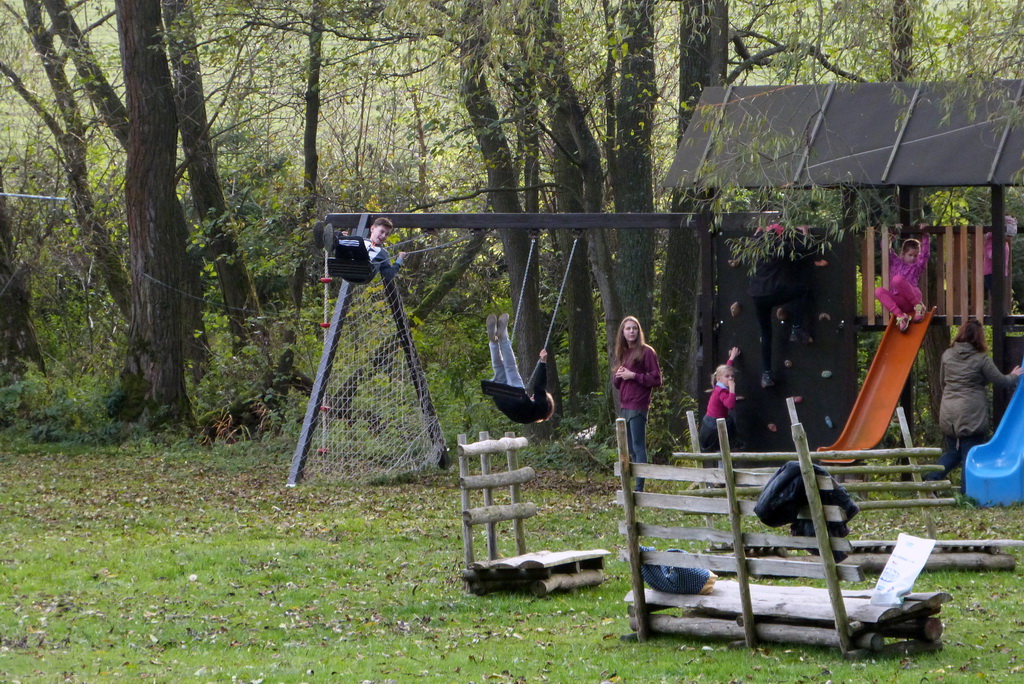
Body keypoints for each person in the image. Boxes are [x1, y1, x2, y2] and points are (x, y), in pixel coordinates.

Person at [925, 319, 1022, 492]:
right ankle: (967, 493)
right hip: (971, 414)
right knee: (970, 456)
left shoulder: (947, 355)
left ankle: (931, 479)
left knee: (953, 453)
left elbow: (943, 382)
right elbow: (1001, 381)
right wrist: (1014, 375)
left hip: (949, 412)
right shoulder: (981, 359)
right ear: (979, 338)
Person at [748, 223, 817, 389]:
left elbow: (755, 235)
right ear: (779, 235)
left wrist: (759, 231)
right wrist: (805, 231)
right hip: (773, 292)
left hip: (756, 295)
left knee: (766, 333)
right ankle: (797, 328)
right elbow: (805, 248)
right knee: (802, 290)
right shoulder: (780, 245)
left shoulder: (756, 243)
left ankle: (766, 374)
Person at [613, 316, 663, 492]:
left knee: (638, 446)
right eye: (628, 329)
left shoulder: (647, 352)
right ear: (623, 332)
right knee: (629, 448)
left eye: (634, 328)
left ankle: (640, 487)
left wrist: (633, 375)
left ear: (639, 331)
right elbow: (617, 384)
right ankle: (632, 482)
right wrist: (619, 375)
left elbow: (656, 379)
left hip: (638, 405)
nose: (631, 331)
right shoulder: (623, 352)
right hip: (624, 405)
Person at [484, 313, 554, 423]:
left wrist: (543, 362)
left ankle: (503, 337)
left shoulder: (542, 407)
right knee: (498, 368)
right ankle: (493, 342)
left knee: (510, 367)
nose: (533, 396)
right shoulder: (528, 418)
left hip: (516, 397)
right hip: (499, 397)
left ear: (547, 403)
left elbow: (539, 387)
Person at [874, 229, 930, 332]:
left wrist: (925, 235)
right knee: (878, 291)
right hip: (900, 302)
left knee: (897, 279)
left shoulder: (917, 266)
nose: (913, 258)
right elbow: (885, 248)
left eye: (916, 256)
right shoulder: (896, 262)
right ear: (903, 254)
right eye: (910, 255)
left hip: (913, 299)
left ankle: (919, 307)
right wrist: (891, 235)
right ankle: (901, 316)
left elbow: (925, 255)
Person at [699, 347, 741, 452]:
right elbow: (730, 405)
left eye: (732, 376)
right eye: (727, 376)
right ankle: (733, 445)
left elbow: (726, 370)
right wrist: (732, 390)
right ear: (719, 379)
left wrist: (732, 357)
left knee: (729, 421)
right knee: (719, 447)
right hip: (713, 424)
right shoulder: (721, 391)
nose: (730, 378)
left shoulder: (719, 385)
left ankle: (732, 446)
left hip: (712, 420)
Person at [983, 215, 1017, 296]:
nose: (1009, 239)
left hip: (1001, 272)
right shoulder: (992, 240)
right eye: (1008, 236)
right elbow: (989, 253)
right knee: (998, 295)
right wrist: (996, 255)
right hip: (991, 273)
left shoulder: (1004, 242)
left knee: (1001, 295)